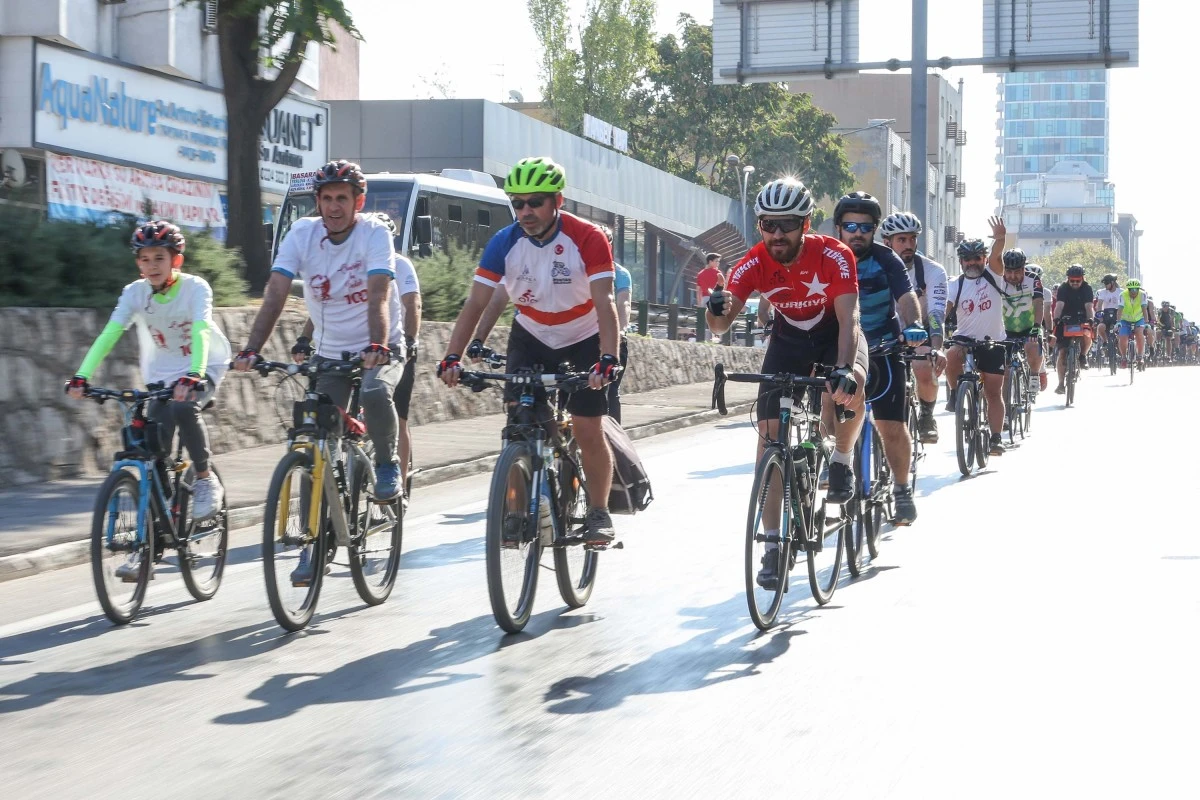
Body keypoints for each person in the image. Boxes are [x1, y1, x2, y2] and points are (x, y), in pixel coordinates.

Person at [233, 159, 405, 584]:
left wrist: (378, 346)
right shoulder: (302, 234)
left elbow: (378, 295)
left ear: (358, 202)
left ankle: (386, 464)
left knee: (374, 394)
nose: (333, 207)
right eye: (326, 199)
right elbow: (274, 293)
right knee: (314, 441)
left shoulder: (374, 234)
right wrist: (252, 349)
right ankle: (315, 544)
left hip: (380, 345)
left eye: (341, 199)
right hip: (329, 352)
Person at [438, 157, 621, 545]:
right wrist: (453, 356)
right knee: (517, 423)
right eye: (517, 203)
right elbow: (476, 303)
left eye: (534, 202)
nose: (525, 211)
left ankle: (599, 512)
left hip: (583, 334)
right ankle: (518, 511)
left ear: (558, 201)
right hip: (531, 333)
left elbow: (605, 304)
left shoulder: (587, 237)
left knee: (588, 426)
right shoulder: (504, 242)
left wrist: (608, 358)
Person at [706, 177, 868, 589]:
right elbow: (720, 327)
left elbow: (849, 318)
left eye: (787, 224)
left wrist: (845, 369)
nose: (777, 234)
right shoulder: (753, 261)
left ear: (806, 223)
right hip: (790, 338)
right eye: (768, 224)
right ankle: (774, 545)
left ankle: (842, 460)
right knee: (769, 439)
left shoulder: (836, 254)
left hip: (836, 333)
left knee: (849, 388)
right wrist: (715, 308)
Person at [67, 221, 232, 577]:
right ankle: (151, 544)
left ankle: (204, 478)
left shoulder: (195, 288)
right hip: (161, 373)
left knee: (183, 405)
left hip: (204, 364)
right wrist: (82, 375)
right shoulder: (134, 293)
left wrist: (195, 373)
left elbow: (201, 329)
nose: (152, 265)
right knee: (148, 446)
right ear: (138, 264)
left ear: (177, 260)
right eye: (145, 259)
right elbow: (111, 332)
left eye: (160, 257)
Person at [291, 212, 423, 492]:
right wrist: (304, 339)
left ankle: (394, 470)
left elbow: (411, 305)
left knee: (391, 409)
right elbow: (324, 305)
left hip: (388, 347)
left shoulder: (398, 265)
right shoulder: (340, 263)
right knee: (323, 413)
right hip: (342, 352)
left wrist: (410, 341)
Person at [834, 193, 924, 524]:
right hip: (841, 352)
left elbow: (906, 296)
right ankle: (838, 463)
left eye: (866, 227)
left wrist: (913, 325)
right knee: (829, 420)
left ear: (874, 230)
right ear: (839, 228)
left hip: (883, 350)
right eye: (851, 226)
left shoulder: (887, 258)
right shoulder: (828, 257)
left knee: (891, 426)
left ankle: (901, 489)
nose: (858, 233)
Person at [880, 211, 948, 443]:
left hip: (921, 332)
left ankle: (927, 416)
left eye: (912, 238)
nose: (909, 245)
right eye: (902, 240)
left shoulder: (934, 271)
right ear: (887, 242)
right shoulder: (874, 266)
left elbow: (937, 314)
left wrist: (936, 348)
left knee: (922, 366)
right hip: (885, 332)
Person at [943, 217, 1009, 456]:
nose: (972, 262)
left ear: (983, 259)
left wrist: (1000, 238)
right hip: (964, 340)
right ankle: (954, 393)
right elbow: (945, 310)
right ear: (961, 262)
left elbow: (997, 255)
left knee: (993, 392)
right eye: (967, 259)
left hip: (993, 341)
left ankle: (995, 437)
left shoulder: (993, 274)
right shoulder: (955, 284)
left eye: (977, 258)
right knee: (951, 354)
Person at [998, 248, 1045, 401]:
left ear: (1024, 268)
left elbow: (1038, 304)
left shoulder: (1033, 279)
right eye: (1009, 272)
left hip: (1029, 327)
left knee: (1032, 345)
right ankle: (1006, 413)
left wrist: (1037, 327)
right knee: (1004, 371)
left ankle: (1033, 376)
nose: (1012, 276)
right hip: (1005, 330)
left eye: (1017, 272)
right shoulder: (997, 280)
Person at [1051, 264, 1095, 392]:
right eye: (1072, 281)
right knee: (1062, 353)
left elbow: (1089, 307)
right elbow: (1059, 306)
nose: (1075, 283)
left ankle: (1082, 356)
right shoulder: (1063, 288)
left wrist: (1090, 319)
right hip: (1066, 317)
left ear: (1083, 278)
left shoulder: (1087, 288)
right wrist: (1056, 319)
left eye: (1078, 281)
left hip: (1082, 317)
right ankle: (1060, 384)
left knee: (1087, 334)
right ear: (1068, 279)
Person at [1116, 278, 1149, 368]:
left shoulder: (1143, 295)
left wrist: (1146, 322)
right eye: (1131, 289)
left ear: (1139, 289)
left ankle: (1140, 356)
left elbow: (1144, 309)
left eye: (1136, 289)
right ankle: (1123, 357)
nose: (1133, 291)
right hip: (1125, 318)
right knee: (1123, 336)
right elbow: (1120, 309)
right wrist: (1118, 322)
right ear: (1128, 289)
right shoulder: (1123, 295)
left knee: (1139, 333)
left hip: (1139, 318)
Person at [1093, 274, 1122, 365]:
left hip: (1118, 314)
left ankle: (1120, 347)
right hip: (1106, 314)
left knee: (1121, 331)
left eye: (1107, 283)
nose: (1105, 285)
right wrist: (1100, 317)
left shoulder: (1121, 292)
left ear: (1112, 283)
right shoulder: (1102, 292)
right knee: (1100, 327)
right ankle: (1105, 341)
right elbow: (1099, 305)